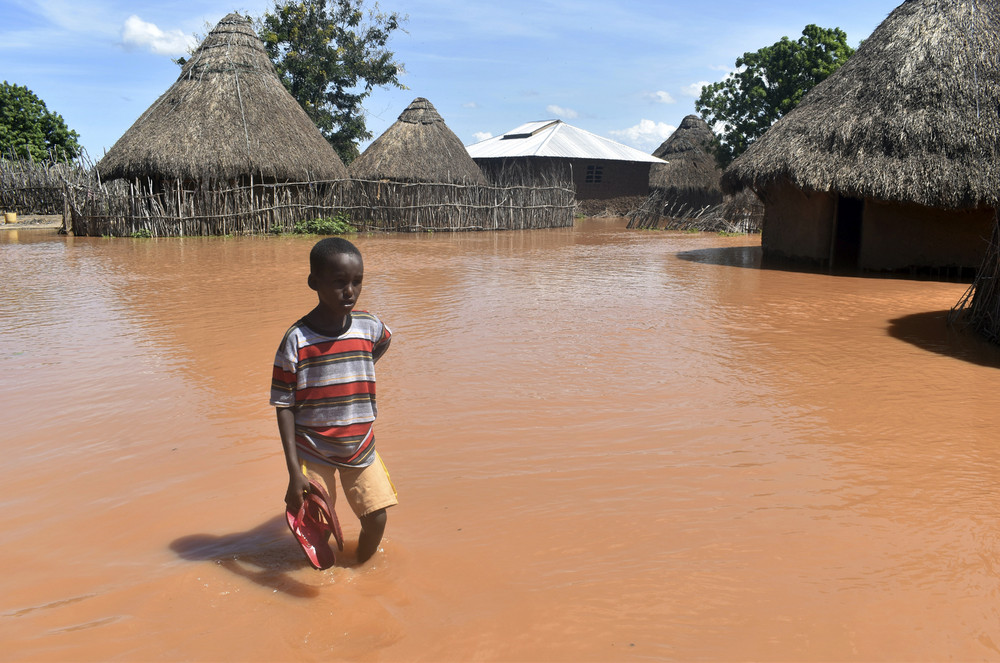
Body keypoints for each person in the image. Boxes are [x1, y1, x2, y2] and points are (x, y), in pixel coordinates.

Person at [270, 237, 396, 565]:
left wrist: (352, 369)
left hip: (359, 445)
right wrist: (294, 471)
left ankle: (361, 573)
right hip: (313, 448)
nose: (350, 291)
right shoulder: (297, 339)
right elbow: (284, 405)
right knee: (317, 530)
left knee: (376, 518)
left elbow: (380, 343)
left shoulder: (368, 325)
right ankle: (323, 585)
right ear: (314, 283)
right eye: (339, 283)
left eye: (357, 282)